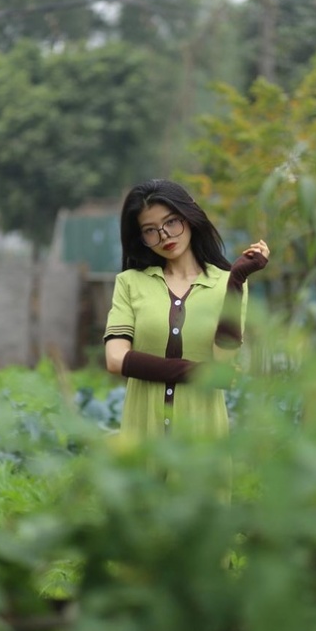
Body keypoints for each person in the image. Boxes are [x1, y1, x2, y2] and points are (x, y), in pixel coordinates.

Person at [104, 179, 269, 441]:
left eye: (171, 222)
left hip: (202, 432)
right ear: (140, 237)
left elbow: (224, 363)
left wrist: (236, 281)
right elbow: (115, 359)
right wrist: (202, 374)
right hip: (143, 431)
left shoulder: (228, 284)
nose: (164, 235)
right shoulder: (129, 283)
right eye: (150, 229)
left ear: (189, 216)